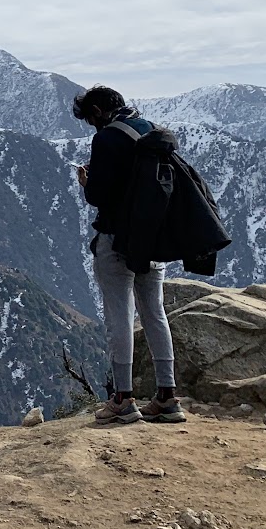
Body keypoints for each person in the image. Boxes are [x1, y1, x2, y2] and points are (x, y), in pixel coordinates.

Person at [73, 85, 186, 425]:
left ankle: (123, 399)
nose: (91, 126)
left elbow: (99, 195)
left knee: (119, 316)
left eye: (90, 118)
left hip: (117, 240)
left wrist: (86, 182)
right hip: (153, 241)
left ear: (96, 112)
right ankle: (167, 396)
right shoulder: (152, 132)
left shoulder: (106, 139)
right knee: (155, 313)